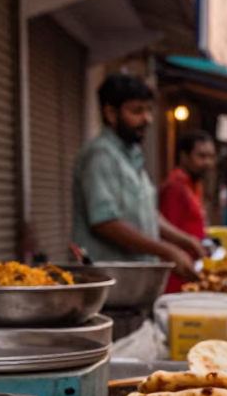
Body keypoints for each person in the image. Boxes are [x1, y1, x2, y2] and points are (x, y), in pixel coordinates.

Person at [72, 74, 201, 280]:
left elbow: (150, 216)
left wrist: (187, 241)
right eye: (137, 111)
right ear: (111, 113)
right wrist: (166, 251)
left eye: (149, 110)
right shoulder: (100, 155)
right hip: (107, 284)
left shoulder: (132, 158)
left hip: (135, 286)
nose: (147, 119)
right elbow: (105, 222)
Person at [158, 130, 216, 293]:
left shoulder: (194, 185)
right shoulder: (175, 186)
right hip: (175, 276)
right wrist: (189, 242)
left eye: (211, 157)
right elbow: (165, 232)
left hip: (189, 271)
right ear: (184, 156)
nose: (207, 162)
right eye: (201, 156)